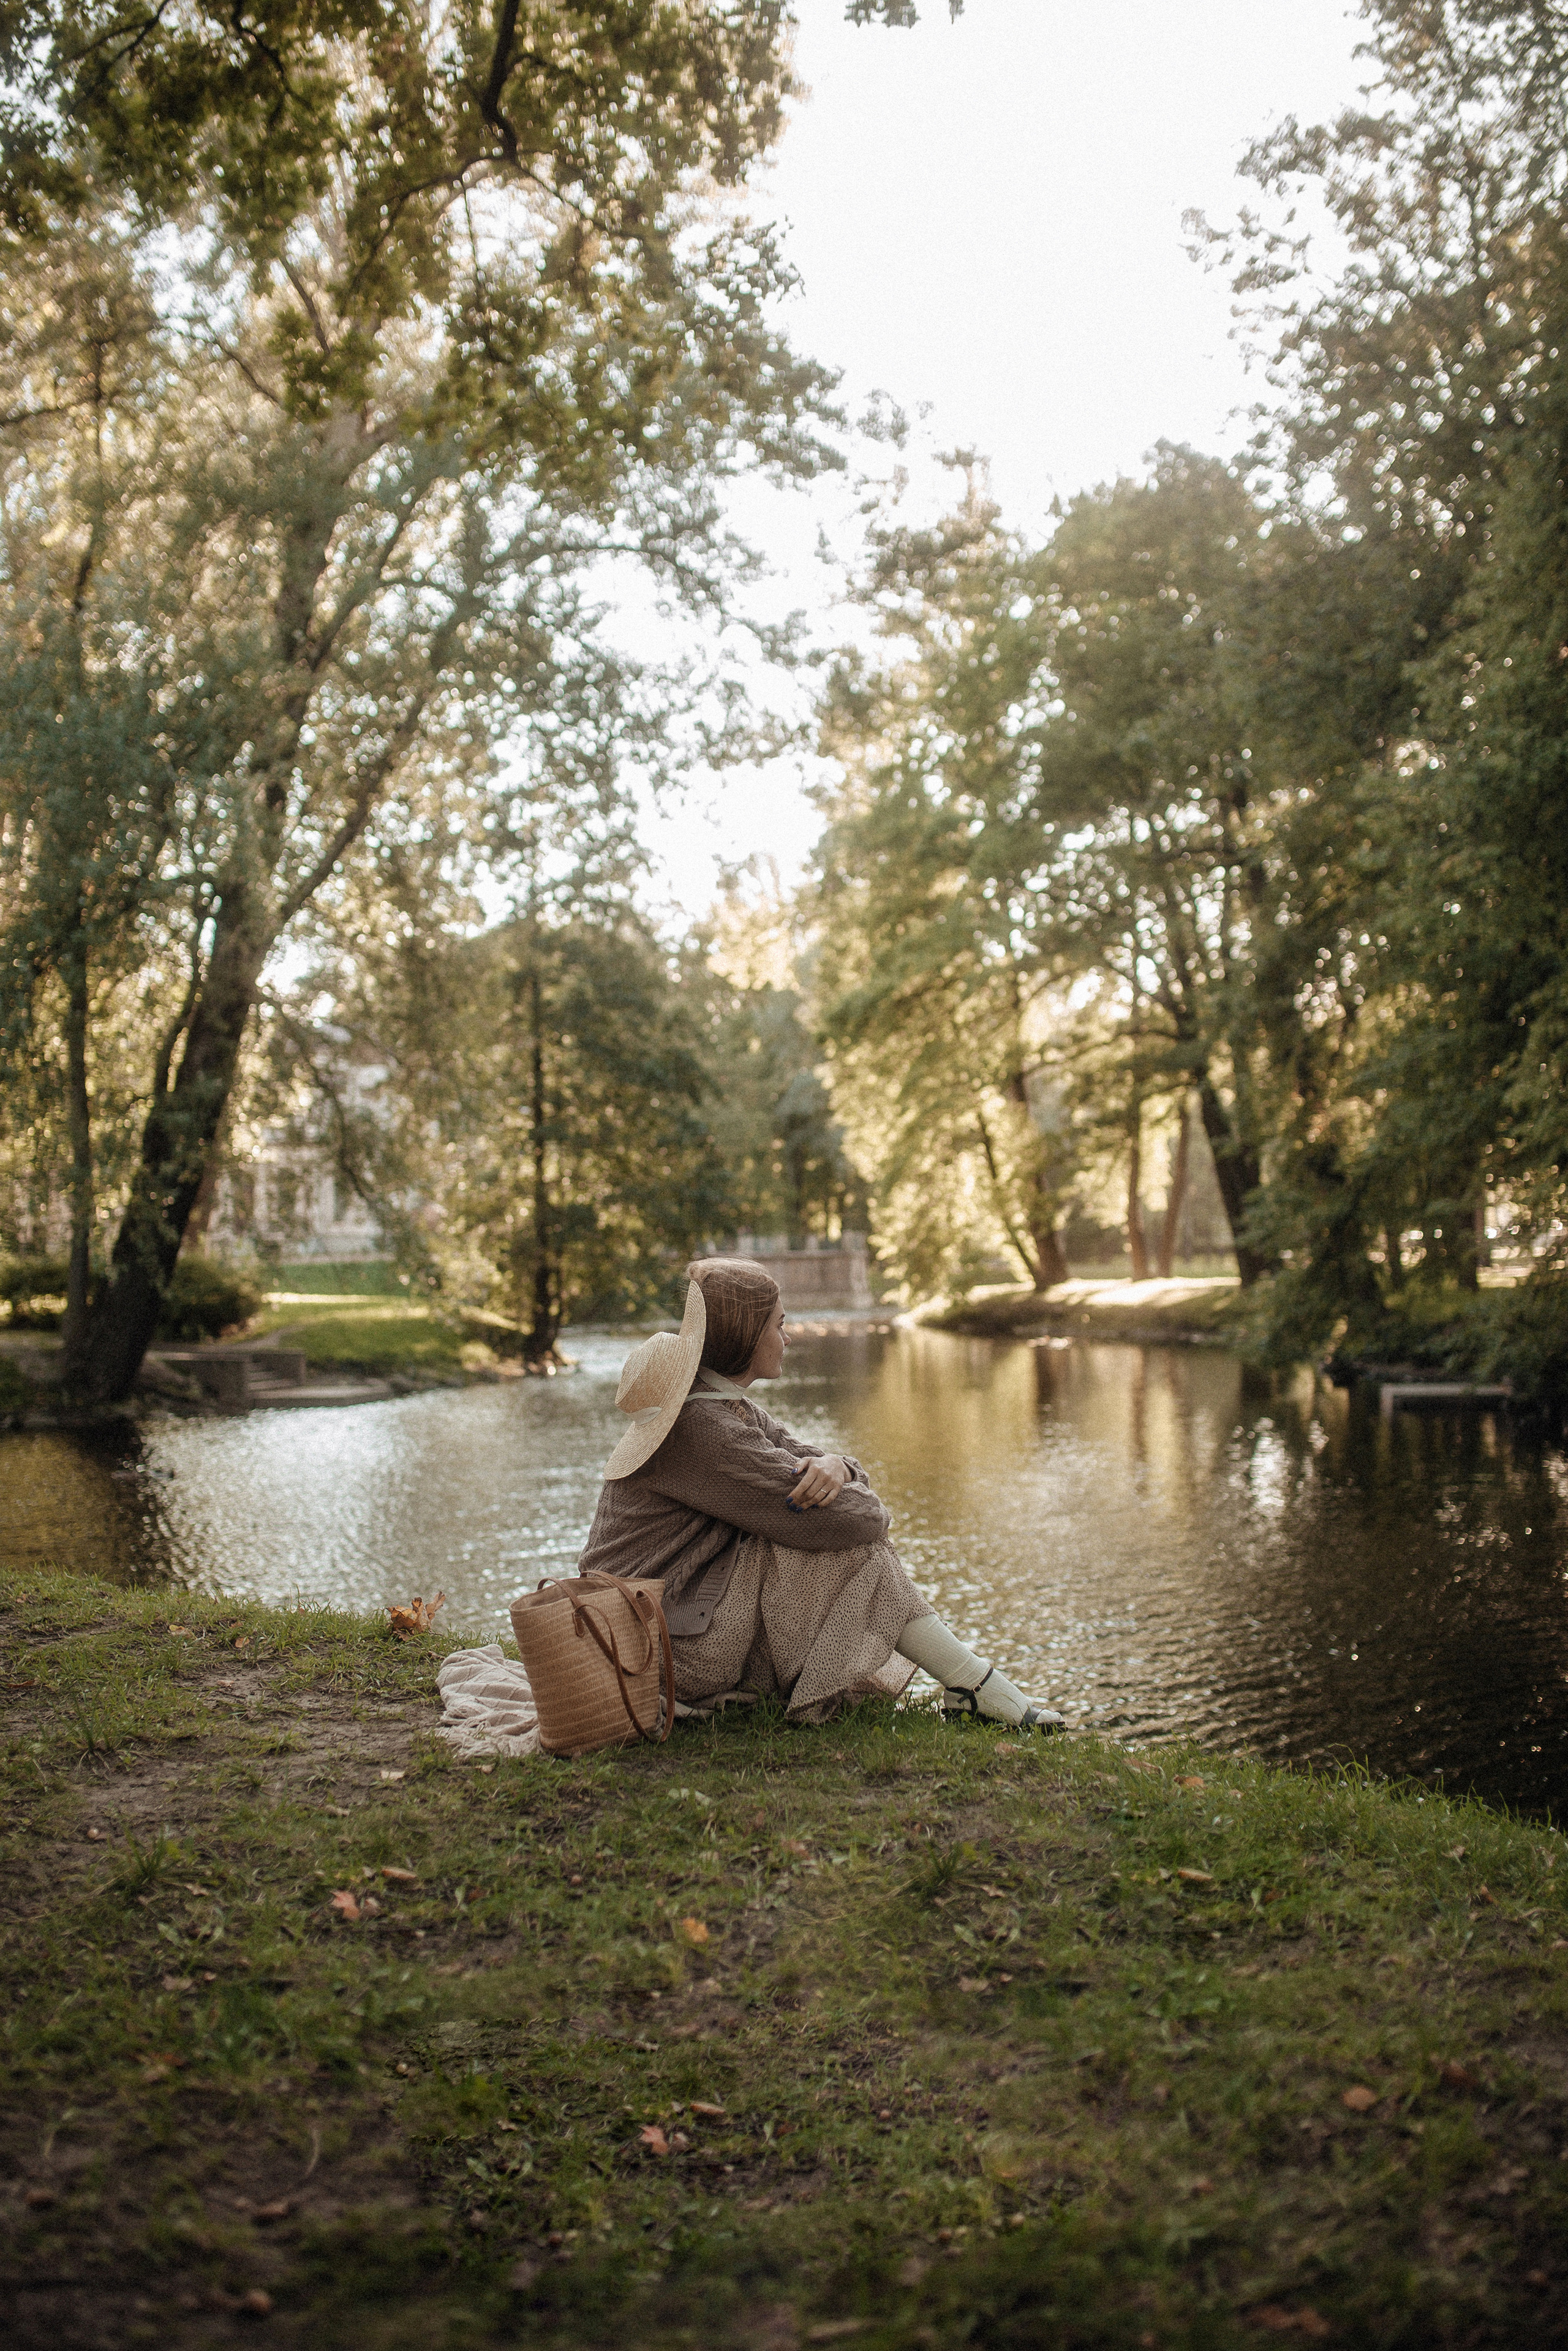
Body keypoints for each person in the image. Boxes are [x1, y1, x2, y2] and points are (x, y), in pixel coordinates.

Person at [574, 1256, 1065, 1730]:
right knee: (844, 1545)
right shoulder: (706, 1431)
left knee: (821, 1533)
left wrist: (838, 1466)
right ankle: (975, 1686)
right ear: (746, 1337)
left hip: (664, 1623)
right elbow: (857, 1520)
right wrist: (850, 1488)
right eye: (780, 1325)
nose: (789, 1338)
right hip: (646, 1647)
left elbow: (815, 1463)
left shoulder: (732, 1411)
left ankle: (972, 1685)